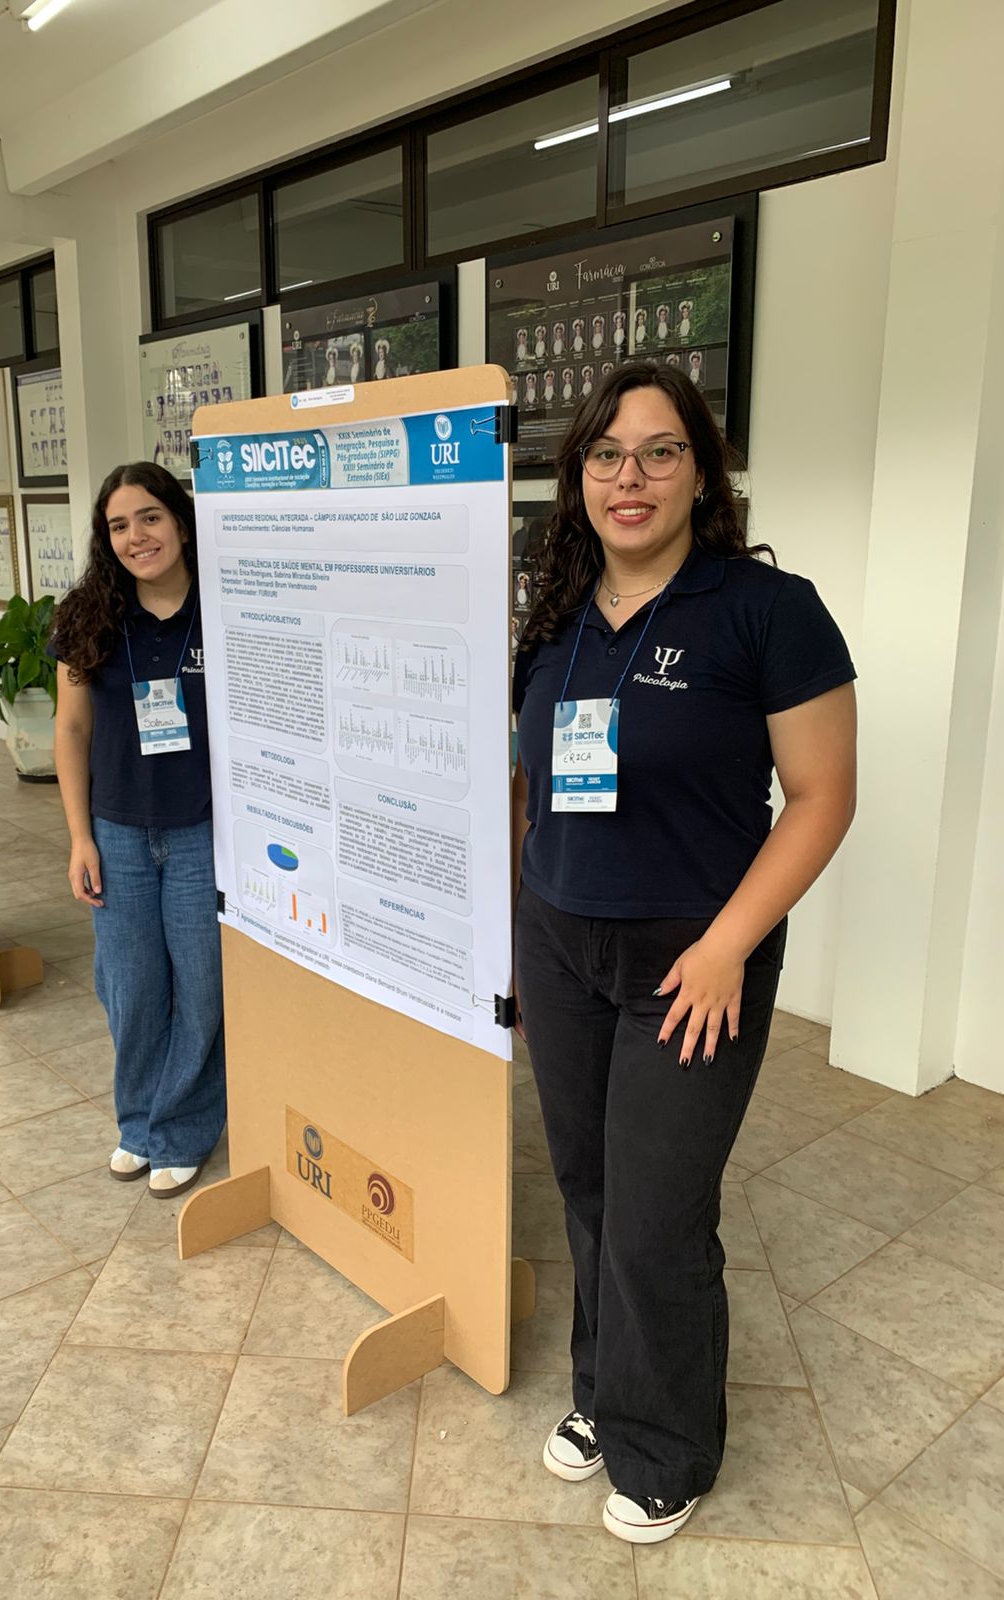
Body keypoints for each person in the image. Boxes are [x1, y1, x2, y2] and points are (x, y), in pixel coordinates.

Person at [511, 362, 856, 1544]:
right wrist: (522, 918)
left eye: (660, 451)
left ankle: (668, 1446)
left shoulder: (767, 610)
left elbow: (821, 796)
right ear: (579, 476)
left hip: (695, 957)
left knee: (658, 1207)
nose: (632, 476)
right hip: (560, 943)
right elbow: (532, 787)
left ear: (702, 472)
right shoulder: (556, 617)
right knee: (589, 1185)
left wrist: (726, 949)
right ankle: (607, 1389)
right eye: (606, 454)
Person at [51, 461, 226, 1199]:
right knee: (130, 988)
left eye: (149, 517)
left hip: (202, 833)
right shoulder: (87, 617)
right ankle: (138, 1122)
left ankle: (181, 1127)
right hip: (117, 831)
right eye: (119, 525)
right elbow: (71, 729)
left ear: (180, 521)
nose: (136, 537)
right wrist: (79, 837)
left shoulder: (226, 607)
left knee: (203, 988)